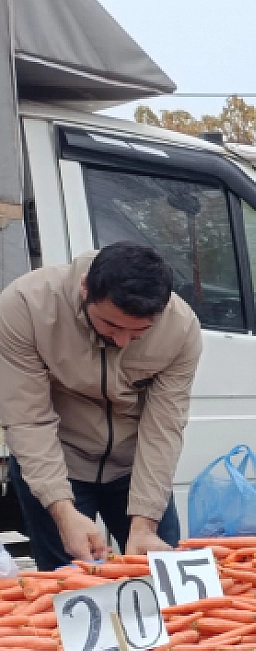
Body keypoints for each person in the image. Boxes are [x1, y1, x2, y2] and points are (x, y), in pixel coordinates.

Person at [0, 243, 201, 568]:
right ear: (85, 289)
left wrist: (145, 522)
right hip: (58, 461)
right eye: (112, 326)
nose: (122, 341)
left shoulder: (181, 329)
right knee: (68, 589)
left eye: (139, 332)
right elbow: (27, 420)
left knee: (164, 582)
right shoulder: (25, 306)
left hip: (133, 465)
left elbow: (163, 427)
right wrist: (62, 510)